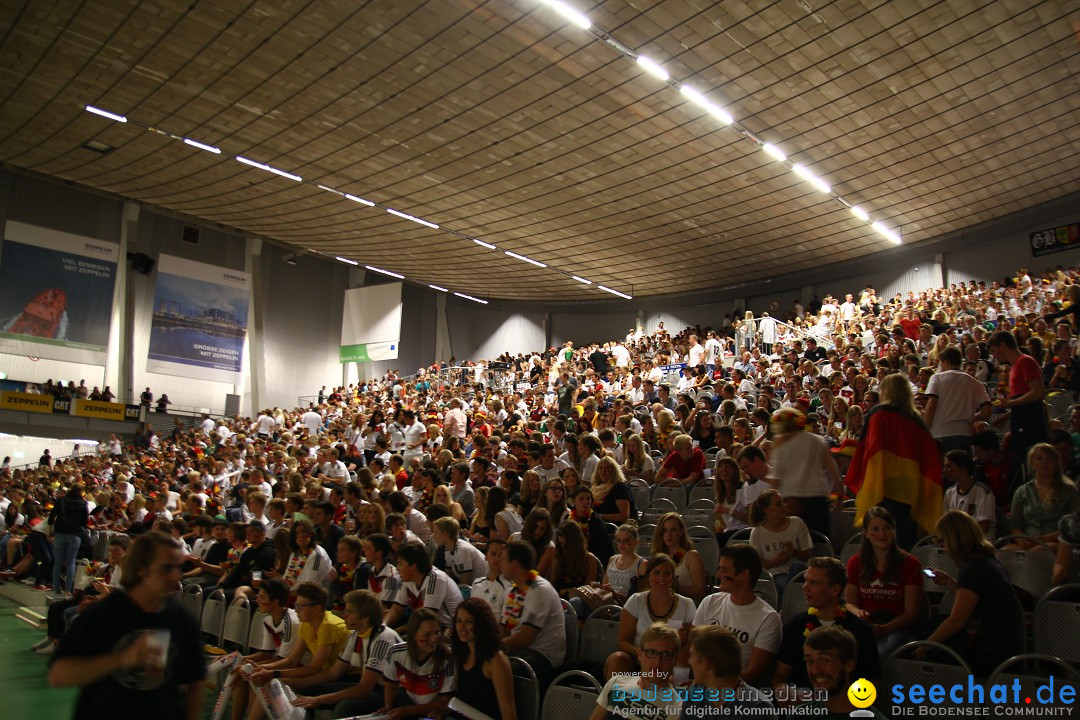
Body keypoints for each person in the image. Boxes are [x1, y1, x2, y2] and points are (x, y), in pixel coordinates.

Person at [48, 531, 206, 720]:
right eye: (166, 568)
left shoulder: (180, 618)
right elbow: (59, 675)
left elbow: (195, 680)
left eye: (178, 568)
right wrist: (121, 659)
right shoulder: (102, 614)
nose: (175, 576)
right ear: (140, 568)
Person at [921, 510, 1024, 677]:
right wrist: (949, 582)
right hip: (1006, 642)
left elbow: (957, 620)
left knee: (935, 655)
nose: (941, 546)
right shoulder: (988, 561)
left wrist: (926, 645)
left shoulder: (974, 568)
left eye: (943, 540)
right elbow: (977, 598)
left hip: (994, 649)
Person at [845, 373, 943, 550]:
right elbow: (929, 452)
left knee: (879, 535)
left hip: (883, 483)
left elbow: (866, 447)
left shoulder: (878, 413)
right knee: (905, 539)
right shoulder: (916, 419)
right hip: (910, 485)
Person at [772, 557, 880, 696]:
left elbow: (871, 686)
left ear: (835, 589)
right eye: (805, 580)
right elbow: (780, 676)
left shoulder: (860, 631)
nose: (804, 587)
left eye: (814, 583)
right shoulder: (797, 624)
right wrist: (782, 691)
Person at [289, 589, 402, 717]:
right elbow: (333, 672)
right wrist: (298, 682)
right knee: (307, 691)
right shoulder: (355, 634)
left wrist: (320, 699)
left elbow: (365, 689)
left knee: (344, 707)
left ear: (365, 617)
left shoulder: (382, 639)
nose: (344, 615)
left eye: (349, 612)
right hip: (372, 687)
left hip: (392, 693)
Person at [693, 543, 781, 685]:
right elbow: (692, 648)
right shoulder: (710, 602)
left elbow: (753, 673)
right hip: (701, 683)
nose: (718, 574)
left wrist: (711, 681)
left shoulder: (768, 618)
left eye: (724, 570)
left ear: (744, 575)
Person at [843, 506, 924, 657]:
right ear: (866, 533)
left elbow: (912, 613)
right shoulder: (855, 562)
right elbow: (850, 603)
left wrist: (884, 629)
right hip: (866, 624)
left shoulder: (910, 563)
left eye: (887, 528)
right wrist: (858, 612)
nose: (882, 534)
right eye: (875, 528)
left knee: (876, 654)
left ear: (894, 531)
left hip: (898, 627)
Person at [605, 554, 695, 678]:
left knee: (683, 660)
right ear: (648, 576)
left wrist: (677, 642)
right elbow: (623, 641)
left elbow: (693, 643)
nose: (662, 578)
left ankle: (676, 694)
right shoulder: (636, 601)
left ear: (673, 577)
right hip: (639, 662)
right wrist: (641, 653)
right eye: (656, 573)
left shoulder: (687, 604)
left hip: (670, 664)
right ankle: (617, 696)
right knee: (617, 660)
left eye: (667, 573)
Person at [225, 578, 300, 720]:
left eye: (262, 597)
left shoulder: (292, 622)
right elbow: (266, 653)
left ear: (276, 602)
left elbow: (286, 660)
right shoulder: (268, 620)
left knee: (254, 675)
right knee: (243, 670)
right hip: (280, 661)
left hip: (296, 667)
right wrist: (240, 659)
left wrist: (251, 666)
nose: (257, 599)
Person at [500, 540, 566, 690]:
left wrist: (493, 648)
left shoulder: (539, 590)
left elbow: (525, 638)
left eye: (503, 559)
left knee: (498, 669)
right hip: (520, 651)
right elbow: (503, 629)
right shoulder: (513, 591)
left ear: (515, 563)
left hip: (544, 656)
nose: (499, 563)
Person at [767, 408, 841, 536]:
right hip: (818, 501)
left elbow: (776, 479)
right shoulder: (817, 440)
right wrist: (839, 497)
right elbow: (833, 471)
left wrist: (769, 504)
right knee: (819, 541)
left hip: (791, 502)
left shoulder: (780, 444)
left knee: (795, 544)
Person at [679, 625, 776, 720]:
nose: (689, 662)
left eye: (692, 655)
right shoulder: (696, 692)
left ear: (706, 663)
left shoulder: (759, 709)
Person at [590, 623, 684, 720]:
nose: (657, 661)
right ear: (639, 654)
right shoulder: (616, 683)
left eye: (666, 655)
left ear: (675, 660)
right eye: (651, 652)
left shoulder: (676, 707)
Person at [378, 608, 456, 719]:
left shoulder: (448, 658)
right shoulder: (396, 653)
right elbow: (391, 686)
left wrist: (408, 711)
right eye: (427, 635)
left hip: (432, 711)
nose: (434, 639)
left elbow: (445, 700)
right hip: (405, 703)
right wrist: (388, 707)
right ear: (413, 634)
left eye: (437, 632)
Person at [797, 626, 888, 719]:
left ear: (849, 665)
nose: (815, 670)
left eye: (824, 660)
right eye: (810, 661)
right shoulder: (799, 716)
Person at [1003, 443, 1079, 552]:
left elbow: (1073, 525)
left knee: (1041, 550)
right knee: (1004, 552)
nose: (1045, 462)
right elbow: (1015, 524)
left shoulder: (1069, 490)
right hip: (1028, 541)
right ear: (1032, 463)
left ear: (1056, 463)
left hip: (1059, 543)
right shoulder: (1022, 492)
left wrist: (1044, 539)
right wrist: (1022, 540)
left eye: (1050, 459)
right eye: (1039, 458)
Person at [451, 598, 518, 720]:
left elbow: (509, 712)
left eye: (469, 622)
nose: (461, 627)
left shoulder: (496, 659)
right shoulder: (462, 653)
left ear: (481, 624)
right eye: (459, 621)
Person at [989, 329, 1047, 463]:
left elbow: (1038, 393)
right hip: (1021, 421)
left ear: (1002, 345)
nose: (995, 355)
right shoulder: (1015, 365)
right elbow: (1024, 400)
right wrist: (1007, 415)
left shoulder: (1024, 361)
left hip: (1030, 425)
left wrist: (1009, 404)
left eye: (994, 350)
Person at [923, 345, 992, 455]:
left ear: (945, 362)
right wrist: (970, 418)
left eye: (941, 363)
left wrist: (925, 429)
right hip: (964, 435)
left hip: (939, 435)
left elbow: (931, 404)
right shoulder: (976, 383)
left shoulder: (936, 378)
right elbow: (987, 411)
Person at [747, 489, 812, 599]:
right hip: (775, 575)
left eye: (783, 502)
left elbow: (808, 554)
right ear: (766, 510)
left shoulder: (796, 523)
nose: (784, 506)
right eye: (778, 504)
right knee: (782, 582)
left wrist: (795, 553)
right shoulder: (757, 533)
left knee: (796, 567)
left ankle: (785, 607)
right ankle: (788, 605)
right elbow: (756, 565)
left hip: (799, 573)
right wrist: (776, 561)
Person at [385, 540, 463, 630]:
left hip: (447, 630)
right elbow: (396, 610)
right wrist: (383, 626)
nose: (397, 568)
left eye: (400, 564)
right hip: (426, 628)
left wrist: (395, 632)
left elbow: (426, 620)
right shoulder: (408, 580)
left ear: (413, 567)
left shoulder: (436, 578)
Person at [648, 512, 706, 602]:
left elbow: (700, 592)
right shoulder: (658, 557)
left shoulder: (692, 556)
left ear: (681, 532)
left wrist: (675, 586)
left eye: (673, 530)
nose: (669, 534)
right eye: (665, 530)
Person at [942, 450, 997, 537]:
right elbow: (946, 523)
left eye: (948, 466)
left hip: (979, 543)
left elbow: (983, 528)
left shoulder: (982, 491)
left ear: (963, 468)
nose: (944, 471)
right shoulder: (949, 493)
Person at [49, 484, 90, 595]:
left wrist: (50, 531)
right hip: (75, 534)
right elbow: (84, 522)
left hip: (60, 533)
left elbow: (52, 516)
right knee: (70, 562)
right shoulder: (83, 504)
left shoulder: (61, 500)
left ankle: (56, 587)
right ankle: (67, 589)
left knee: (58, 562)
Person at [602, 522, 645, 604]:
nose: (622, 544)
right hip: (606, 601)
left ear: (636, 541)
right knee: (577, 601)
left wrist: (614, 594)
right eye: (619, 541)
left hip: (626, 606)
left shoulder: (641, 564)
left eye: (626, 540)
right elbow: (603, 586)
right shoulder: (612, 559)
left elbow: (640, 598)